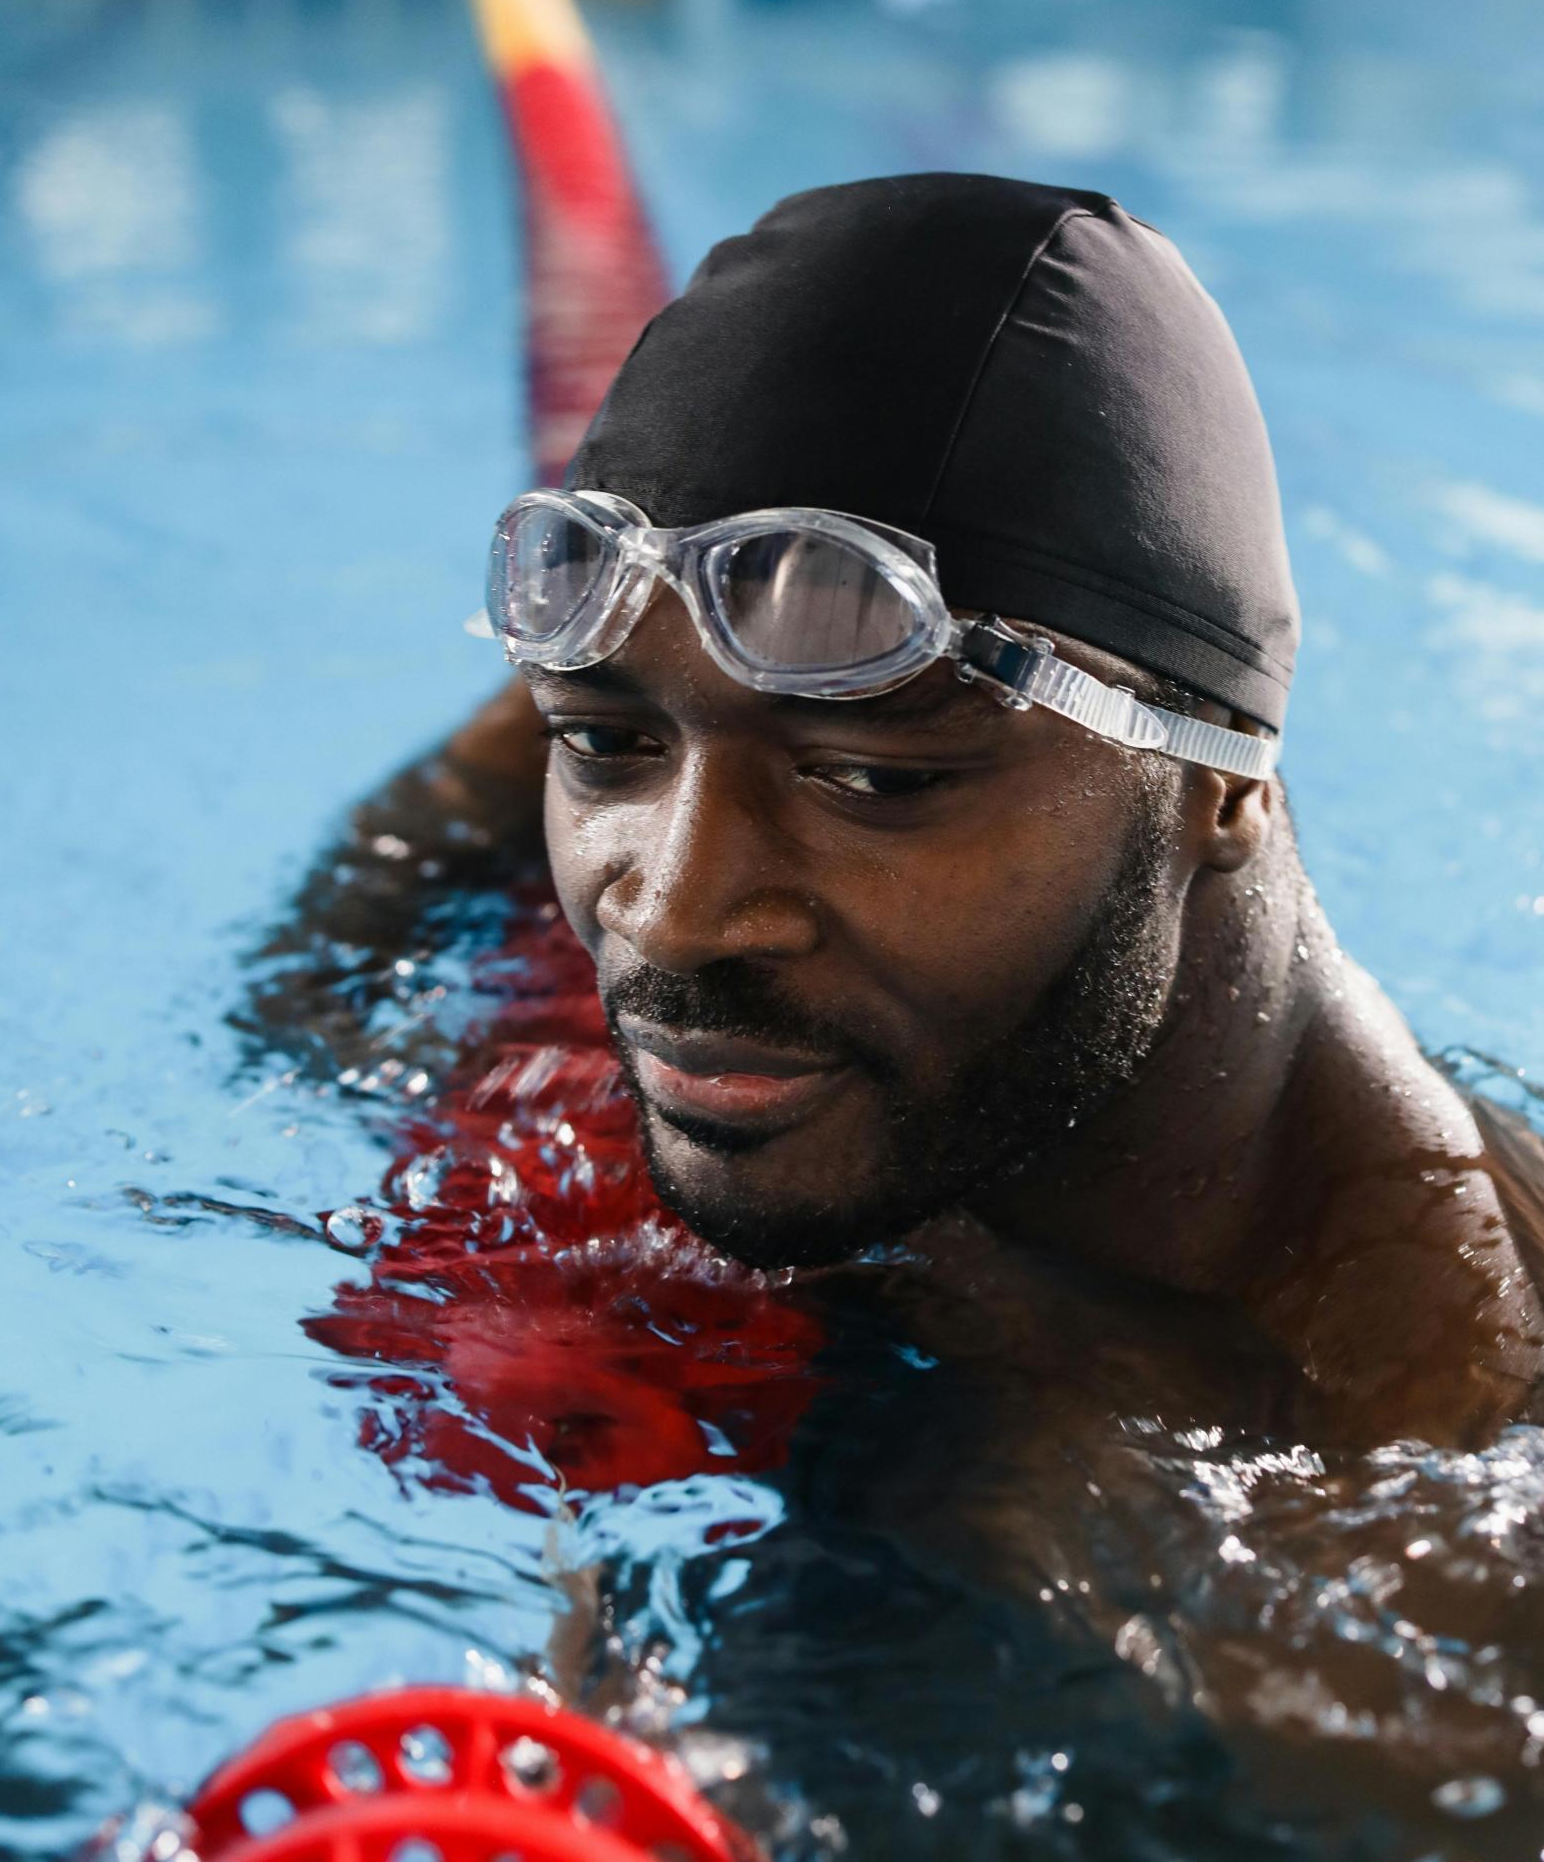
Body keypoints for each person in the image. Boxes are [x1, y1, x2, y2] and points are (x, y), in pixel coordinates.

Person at [275, 172, 1544, 1456]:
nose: (671, 913)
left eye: (876, 778)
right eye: (607, 743)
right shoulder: (926, 1034)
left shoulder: (1403, 1504)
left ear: (1222, 788)